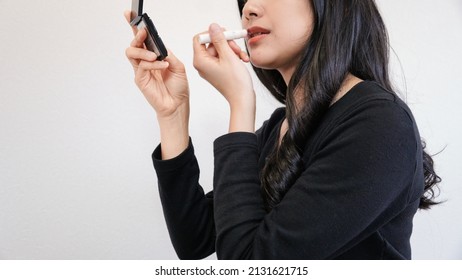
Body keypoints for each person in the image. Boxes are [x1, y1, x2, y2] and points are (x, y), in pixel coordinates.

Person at [124, 0, 440, 260]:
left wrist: (240, 104)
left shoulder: (378, 123)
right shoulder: (280, 127)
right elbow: (194, 238)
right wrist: (173, 114)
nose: (248, 8)